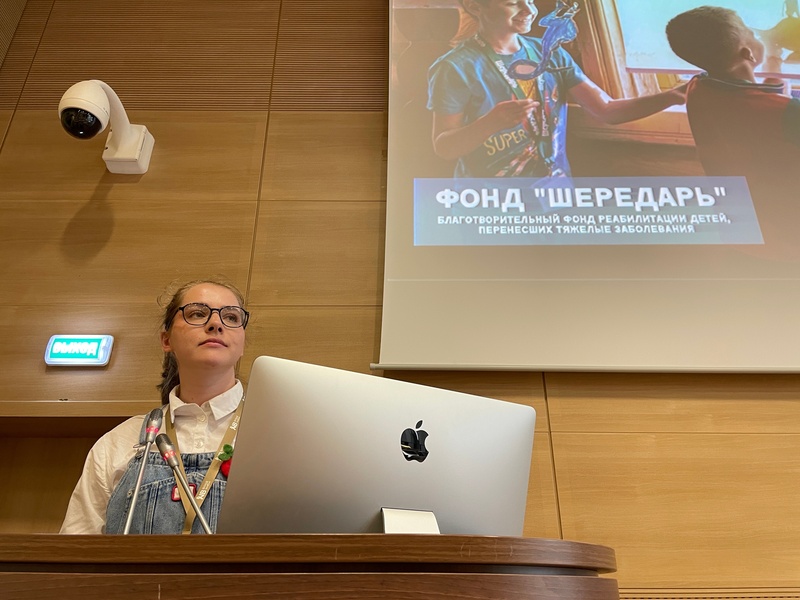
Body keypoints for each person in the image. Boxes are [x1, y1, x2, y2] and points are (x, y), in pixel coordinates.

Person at [60, 278, 249, 534]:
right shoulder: (118, 442)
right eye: (197, 313)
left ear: (242, 343)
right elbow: (76, 548)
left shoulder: (279, 436)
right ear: (166, 340)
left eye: (231, 317)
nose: (216, 323)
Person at [427, 0, 687, 178]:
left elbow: (607, 110)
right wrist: (491, 122)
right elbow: (444, 147)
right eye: (512, 3)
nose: (528, 9)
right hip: (490, 204)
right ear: (474, 6)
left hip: (554, 191)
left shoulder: (550, 52)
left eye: (530, 0)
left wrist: (673, 96)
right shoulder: (454, 68)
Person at [666, 6, 800, 180]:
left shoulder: (697, 88)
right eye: (752, 35)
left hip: (732, 188)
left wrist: (772, 58)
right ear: (748, 53)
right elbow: (775, 106)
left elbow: (764, 98)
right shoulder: (786, 111)